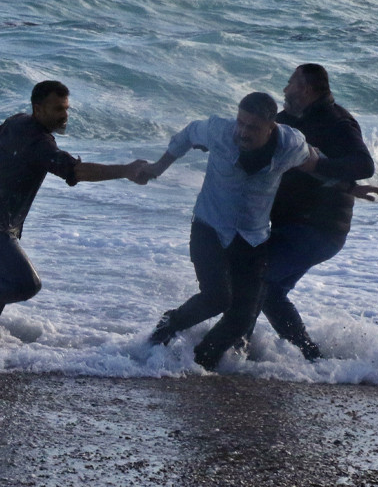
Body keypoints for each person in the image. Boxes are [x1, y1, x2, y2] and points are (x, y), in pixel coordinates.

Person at [137, 92, 323, 371]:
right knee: (216, 298)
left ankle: (200, 364)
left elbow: (315, 160)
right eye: (241, 123)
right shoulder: (219, 131)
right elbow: (187, 134)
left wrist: (350, 186)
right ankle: (168, 326)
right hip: (209, 227)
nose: (243, 132)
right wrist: (157, 168)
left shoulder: (289, 144)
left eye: (253, 127)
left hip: (253, 237)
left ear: (271, 126)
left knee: (242, 318)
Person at [0, 80, 147, 330]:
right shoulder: (40, 144)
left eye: (66, 108)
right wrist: (125, 170)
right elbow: (77, 171)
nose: (64, 115)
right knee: (26, 285)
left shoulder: (17, 122)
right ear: (38, 109)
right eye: (58, 109)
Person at [252, 63, 378, 360]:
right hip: (293, 224)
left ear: (306, 89)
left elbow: (364, 165)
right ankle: (311, 358)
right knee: (268, 291)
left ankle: (229, 348)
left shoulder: (337, 122)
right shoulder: (288, 119)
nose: (285, 89)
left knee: (254, 280)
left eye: (290, 83)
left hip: (318, 227)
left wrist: (319, 166)